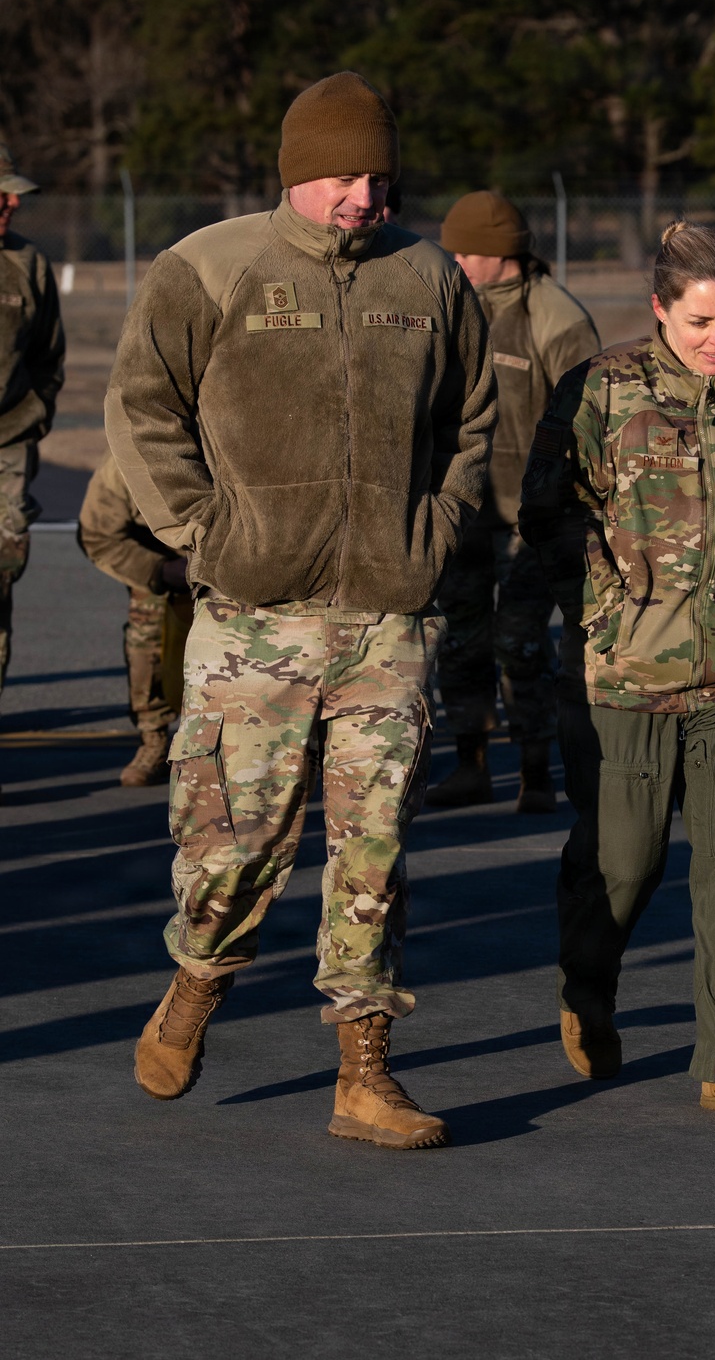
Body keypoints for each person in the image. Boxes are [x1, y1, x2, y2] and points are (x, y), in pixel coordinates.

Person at [107, 72, 496, 1149]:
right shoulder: (209, 266)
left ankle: (365, 1072)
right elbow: (141, 405)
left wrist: (437, 528)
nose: (365, 197)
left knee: (375, 847)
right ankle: (197, 977)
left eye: (380, 177)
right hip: (255, 615)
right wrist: (204, 530)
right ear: (296, 175)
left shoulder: (427, 276)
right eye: (343, 177)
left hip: (387, 614)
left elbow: (471, 419)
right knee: (232, 843)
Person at [520, 221, 715, 1117]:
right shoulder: (602, 388)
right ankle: (587, 988)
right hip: (624, 680)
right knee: (624, 864)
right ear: (660, 309)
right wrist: (604, 612)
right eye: (701, 320)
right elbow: (548, 511)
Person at [427, 191, 598, 812]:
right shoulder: (448, 302)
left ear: (501, 252)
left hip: (532, 517)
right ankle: (470, 763)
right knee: (460, 638)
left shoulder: (554, 316)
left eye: (466, 251)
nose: (456, 261)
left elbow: (589, 420)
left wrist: (567, 509)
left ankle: (535, 772)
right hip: (462, 505)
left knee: (520, 640)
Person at [78, 451, 193, 786]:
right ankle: (153, 737)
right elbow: (98, 534)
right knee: (147, 629)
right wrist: (160, 571)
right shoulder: (124, 461)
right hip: (166, 561)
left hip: (237, 556)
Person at [0, 143, 65, 717]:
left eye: (14, 194)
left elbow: (48, 358)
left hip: (6, 450)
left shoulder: (27, 264)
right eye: (1, 194)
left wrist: (30, 418)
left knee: (2, 576)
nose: (12, 203)